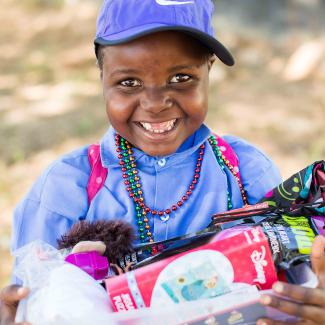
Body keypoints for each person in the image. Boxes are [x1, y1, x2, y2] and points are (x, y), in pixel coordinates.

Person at [0, 0, 324, 324]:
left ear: (208, 69)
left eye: (181, 77)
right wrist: (15, 313)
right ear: (101, 75)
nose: (155, 103)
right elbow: (35, 301)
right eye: (129, 83)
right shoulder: (67, 187)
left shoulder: (246, 174)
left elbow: (291, 291)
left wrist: (309, 306)